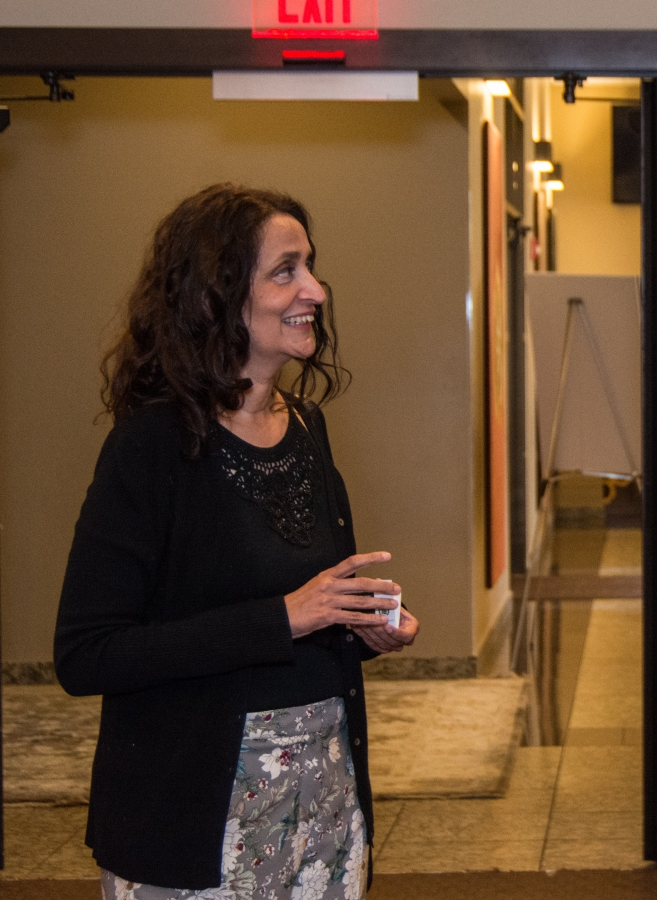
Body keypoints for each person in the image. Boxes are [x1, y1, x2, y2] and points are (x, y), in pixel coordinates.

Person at [54, 183, 420, 899]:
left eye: (310, 266)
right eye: (286, 270)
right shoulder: (151, 447)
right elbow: (87, 654)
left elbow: (302, 621)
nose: (315, 289)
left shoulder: (308, 427)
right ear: (215, 296)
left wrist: (359, 630)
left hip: (324, 811)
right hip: (195, 822)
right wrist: (287, 616)